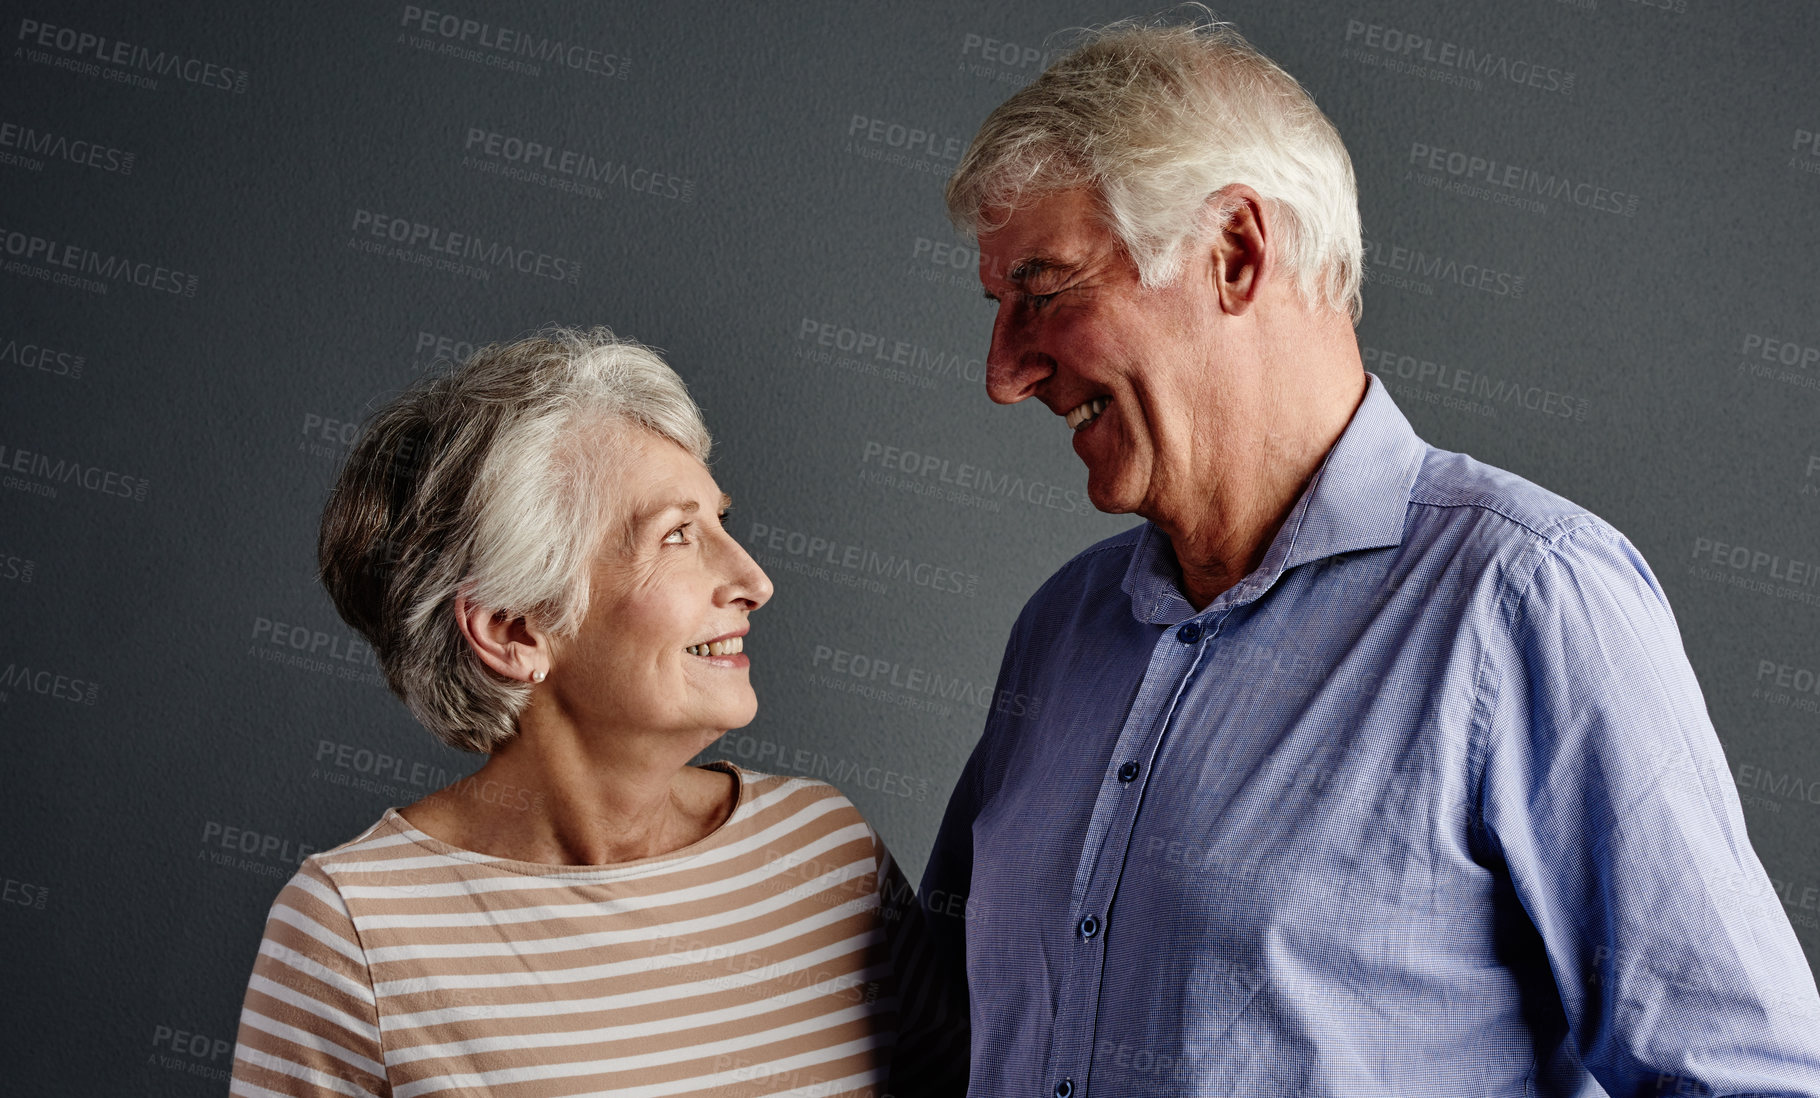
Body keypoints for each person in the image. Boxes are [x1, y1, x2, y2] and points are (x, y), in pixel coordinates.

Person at [912, 17, 1820, 1097]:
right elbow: (932, 1033)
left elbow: (1749, 1078)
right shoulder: (1058, 631)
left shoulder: (1523, 598)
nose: (1003, 373)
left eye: (1044, 290)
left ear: (1235, 254)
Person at [230, 328, 911, 1097]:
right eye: (679, 535)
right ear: (514, 630)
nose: (753, 579)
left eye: (721, 521)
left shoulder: (827, 850)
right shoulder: (351, 931)